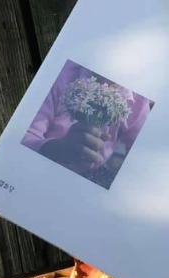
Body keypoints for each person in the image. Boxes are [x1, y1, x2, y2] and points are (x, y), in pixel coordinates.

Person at [21, 60, 152, 187]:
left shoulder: (139, 103)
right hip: (43, 165)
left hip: (91, 177)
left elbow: (140, 157)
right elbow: (23, 136)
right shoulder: (60, 74)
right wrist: (60, 149)